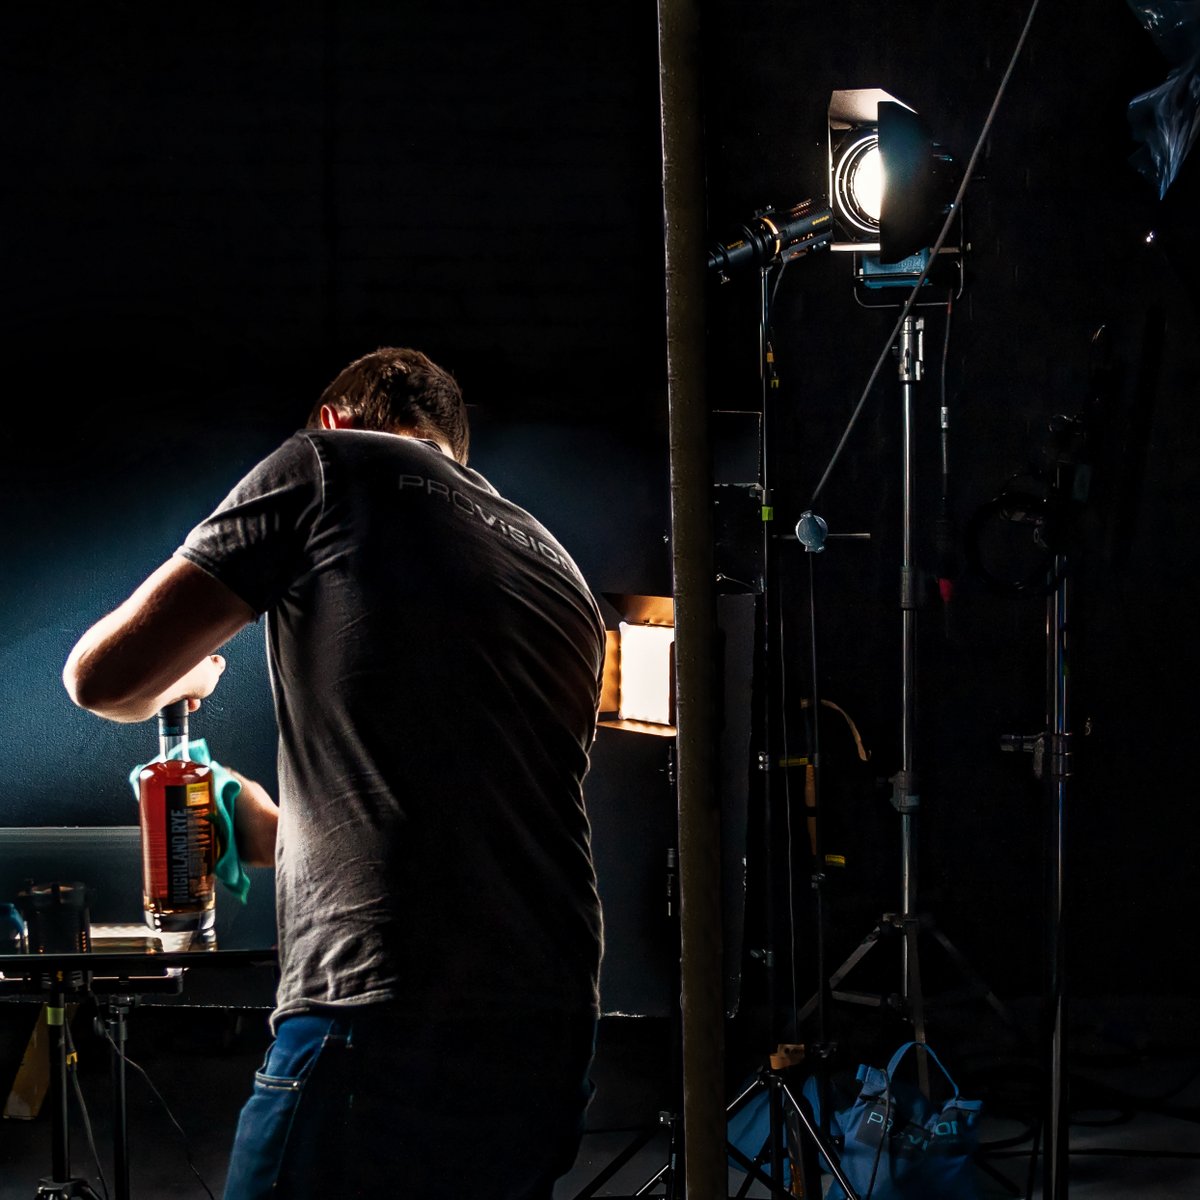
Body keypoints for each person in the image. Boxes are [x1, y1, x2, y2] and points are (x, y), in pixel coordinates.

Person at [62, 347, 606, 1199]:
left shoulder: (327, 462)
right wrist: (252, 814)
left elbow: (100, 681)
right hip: (550, 1027)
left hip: (378, 1021)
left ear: (332, 418)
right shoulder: (559, 571)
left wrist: (192, 673)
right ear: (457, 457)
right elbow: (455, 816)